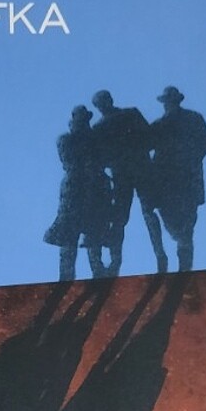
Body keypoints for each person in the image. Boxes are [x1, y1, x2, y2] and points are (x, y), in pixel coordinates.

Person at [43, 105, 111, 281]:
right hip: (77, 189)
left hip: (90, 189)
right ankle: (68, 278)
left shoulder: (94, 139)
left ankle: (97, 276)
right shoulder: (69, 140)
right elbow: (71, 162)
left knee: (93, 236)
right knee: (71, 237)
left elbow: (102, 160)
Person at [149, 86, 206, 272]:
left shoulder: (168, 123)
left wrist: (190, 158)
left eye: (167, 102)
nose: (167, 105)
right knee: (182, 228)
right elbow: (205, 143)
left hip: (177, 182)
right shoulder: (185, 119)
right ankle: (185, 265)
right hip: (177, 181)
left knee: (182, 227)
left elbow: (205, 143)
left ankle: (185, 268)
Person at [91, 90, 152, 276]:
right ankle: (116, 261)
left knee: (146, 211)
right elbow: (100, 157)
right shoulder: (100, 127)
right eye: (100, 104)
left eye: (104, 102)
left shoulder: (129, 114)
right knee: (121, 218)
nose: (103, 106)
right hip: (123, 175)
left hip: (137, 171)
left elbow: (149, 137)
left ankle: (158, 254)